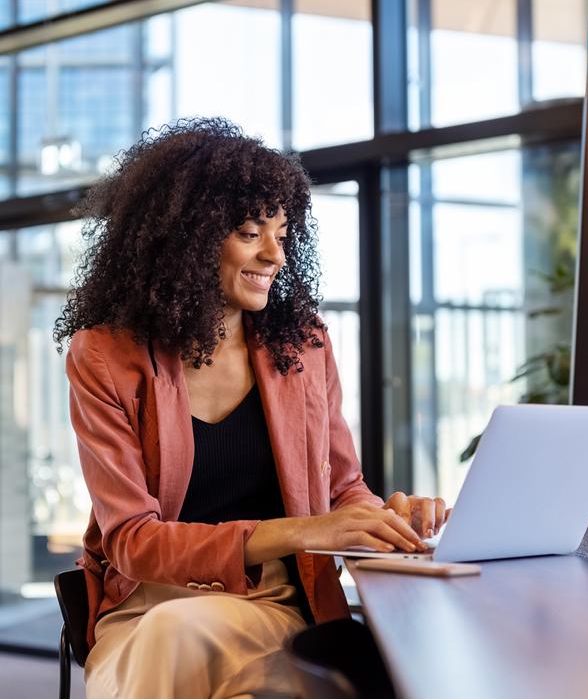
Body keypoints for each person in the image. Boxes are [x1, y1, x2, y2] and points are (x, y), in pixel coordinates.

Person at [54, 118, 447, 699]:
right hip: (150, 605)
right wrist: (306, 529)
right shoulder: (106, 355)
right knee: (172, 630)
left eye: (283, 236)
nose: (275, 255)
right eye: (249, 232)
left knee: (180, 642)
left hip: (275, 600)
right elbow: (132, 541)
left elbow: (343, 489)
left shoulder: (303, 345)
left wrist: (386, 518)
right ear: (185, 238)